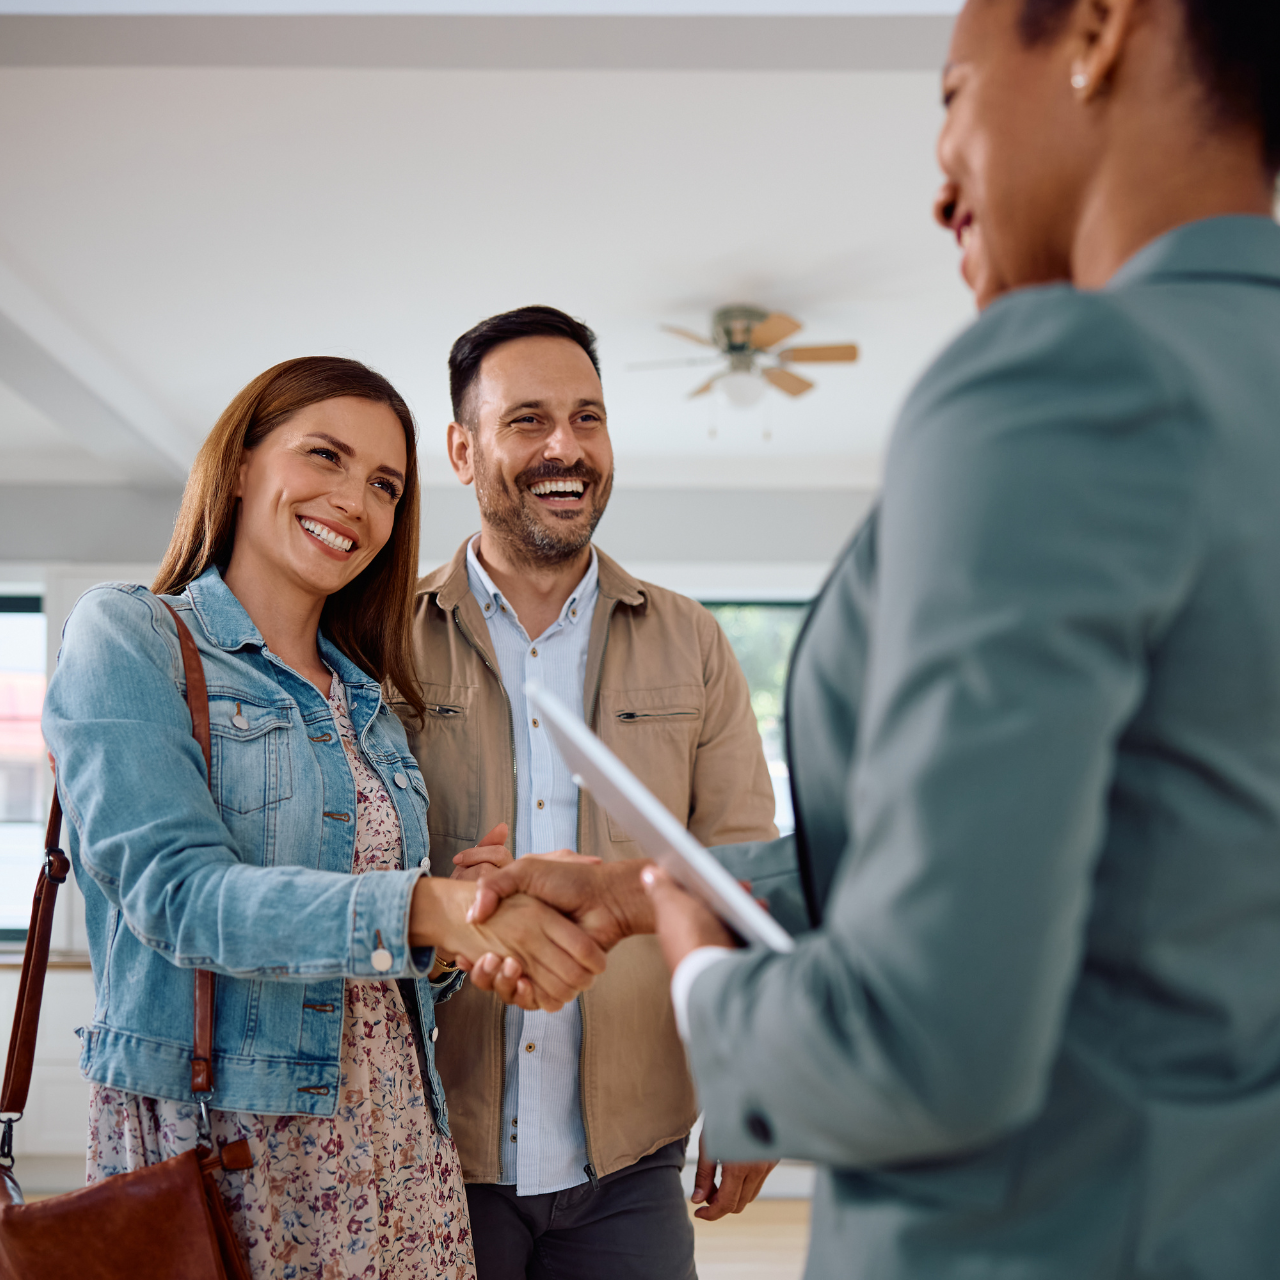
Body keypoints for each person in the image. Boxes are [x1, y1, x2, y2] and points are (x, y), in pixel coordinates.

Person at [474, 1, 1280, 1275]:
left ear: (1098, 30)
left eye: (952, 93)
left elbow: (918, 1044)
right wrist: (643, 892)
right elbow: (1144, 849)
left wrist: (700, 983)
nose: (938, 179)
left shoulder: (1054, 380)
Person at [42, 356, 606, 1280]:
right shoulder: (131, 637)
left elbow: (380, 976)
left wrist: (462, 923)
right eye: (326, 456)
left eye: (385, 485)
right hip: (233, 1157)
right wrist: (418, 908)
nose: (356, 500)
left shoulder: (368, 701)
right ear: (240, 465)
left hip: (401, 1158)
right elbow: (178, 898)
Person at [398, 306, 778, 1279]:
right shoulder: (383, 637)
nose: (564, 446)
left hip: (631, 1165)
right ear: (461, 447)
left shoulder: (691, 641)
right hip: (430, 1151)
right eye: (525, 419)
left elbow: (742, 876)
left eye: (587, 417)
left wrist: (750, 1084)